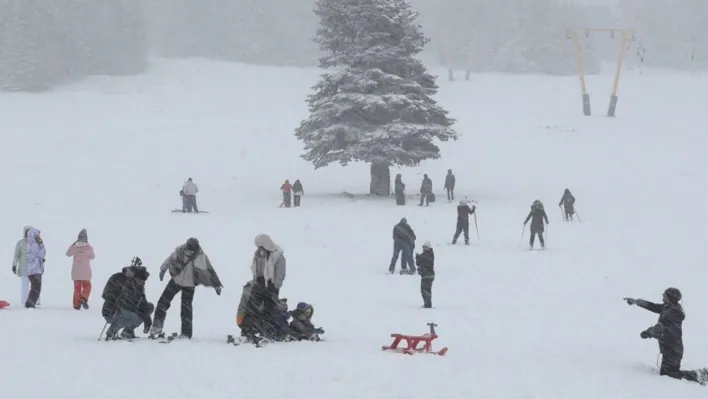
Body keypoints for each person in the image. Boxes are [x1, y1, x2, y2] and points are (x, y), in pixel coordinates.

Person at [624, 288, 708, 385]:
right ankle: (700, 374)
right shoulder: (669, 308)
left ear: (670, 298)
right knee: (667, 373)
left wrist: (648, 332)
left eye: (665, 294)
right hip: (670, 347)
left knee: (670, 374)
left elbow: (660, 327)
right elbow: (654, 307)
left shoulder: (670, 313)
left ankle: (699, 375)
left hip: (673, 349)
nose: (663, 295)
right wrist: (636, 302)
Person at [151, 238, 223, 339]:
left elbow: (209, 270)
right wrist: (162, 270)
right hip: (176, 280)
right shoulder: (179, 251)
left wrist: (216, 284)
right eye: (188, 249)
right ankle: (156, 327)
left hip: (190, 284)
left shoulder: (200, 256)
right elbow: (169, 259)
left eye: (192, 250)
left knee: (186, 308)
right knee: (163, 302)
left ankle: (186, 333)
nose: (189, 251)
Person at [101, 258, 154, 340]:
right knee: (132, 316)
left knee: (148, 307)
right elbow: (106, 294)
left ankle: (128, 331)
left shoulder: (139, 287)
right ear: (134, 276)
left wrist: (147, 319)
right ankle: (113, 330)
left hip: (128, 310)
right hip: (112, 310)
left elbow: (143, 304)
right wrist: (118, 298)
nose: (141, 283)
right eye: (139, 280)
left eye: (143, 281)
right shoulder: (118, 278)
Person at [251, 234, 286, 318]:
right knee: (256, 306)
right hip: (259, 283)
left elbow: (280, 273)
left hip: (271, 284)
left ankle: (268, 326)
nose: (259, 248)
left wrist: (275, 286)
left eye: (260, 246)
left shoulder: (277, 256)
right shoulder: (258, 255)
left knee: (269, 307)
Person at [13, 227, 45, 308]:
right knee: (25, 285)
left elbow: (41, 253)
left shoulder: (37, 242)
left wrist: (41, 260)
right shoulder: (20, 243)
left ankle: (37, 301)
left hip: (35, 268)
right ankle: (24, 301)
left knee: (36, 285)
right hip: (24, 268)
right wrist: (14, 265)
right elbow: (16, 255)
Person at [66, 228, 95, 310]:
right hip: (86, 271)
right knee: (87, 286)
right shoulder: (88, 247)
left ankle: (76, 305)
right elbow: (92, 257)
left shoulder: (75, 247)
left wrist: (73, 244)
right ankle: (83, 298)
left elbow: (68, 254)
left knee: (77, 288)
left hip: (76, 271)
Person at [416, 241, 435, 308]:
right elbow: (418, 263)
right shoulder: (425, 254)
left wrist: (418, 257)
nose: (424, 248)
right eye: (423, 247)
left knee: (425, 290)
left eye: (425, 247)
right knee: (425, 290)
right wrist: (418, 258)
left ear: (428, 248)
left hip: (428, 275)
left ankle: (428, 305)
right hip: (426, 275)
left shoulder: (429, 254)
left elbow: (424, 259)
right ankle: (427, 304)